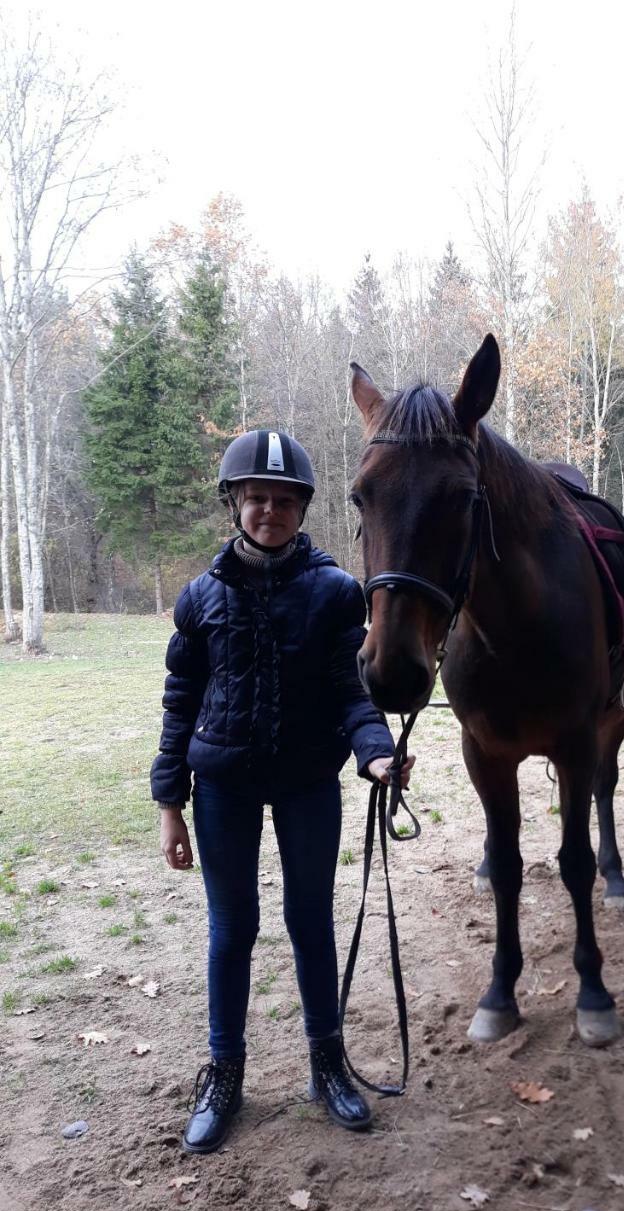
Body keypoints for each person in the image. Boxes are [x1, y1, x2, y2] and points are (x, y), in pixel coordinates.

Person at [151, 428, 414, 1154]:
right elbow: (180, 704)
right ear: (235, 503)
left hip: (306, 783)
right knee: (231, 928)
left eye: (284, 500)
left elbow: (348, 691)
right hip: (223, 787)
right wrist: (170, 805)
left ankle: (327, 1066)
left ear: (302, 508)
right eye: (257, 498)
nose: (270, 511)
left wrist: (376, 755)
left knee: (310, 921)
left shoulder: (334, 592)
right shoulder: (199, 598)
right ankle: (225, 1073)